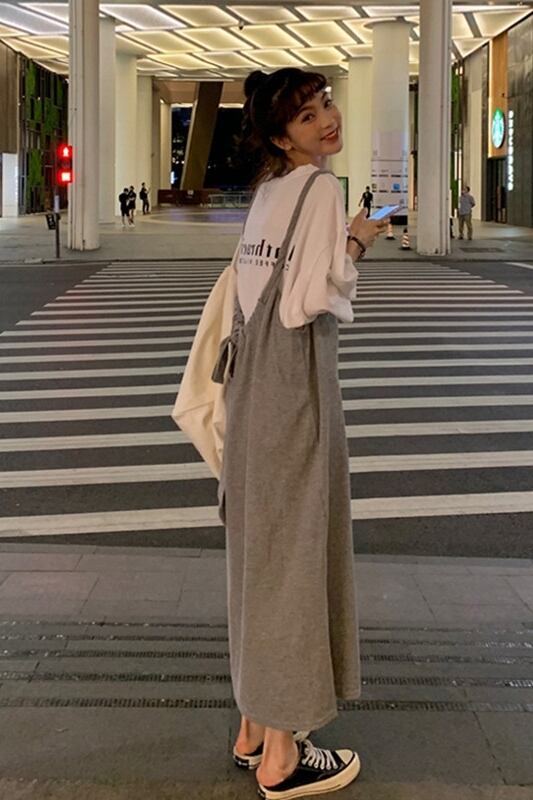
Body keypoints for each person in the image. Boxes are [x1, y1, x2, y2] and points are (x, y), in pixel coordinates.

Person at [220, 68, 387, 800]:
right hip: (294, 390)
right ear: (283, 136)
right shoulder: (319, 189)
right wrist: (355, 243)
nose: (327, 120)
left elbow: (255, 292)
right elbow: (312, 299)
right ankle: (283, 758)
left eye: (325, 105)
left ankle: (254, 726)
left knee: (258, 553)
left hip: (249, 392)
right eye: (308, 115)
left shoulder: (266, 193)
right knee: (295, 557)